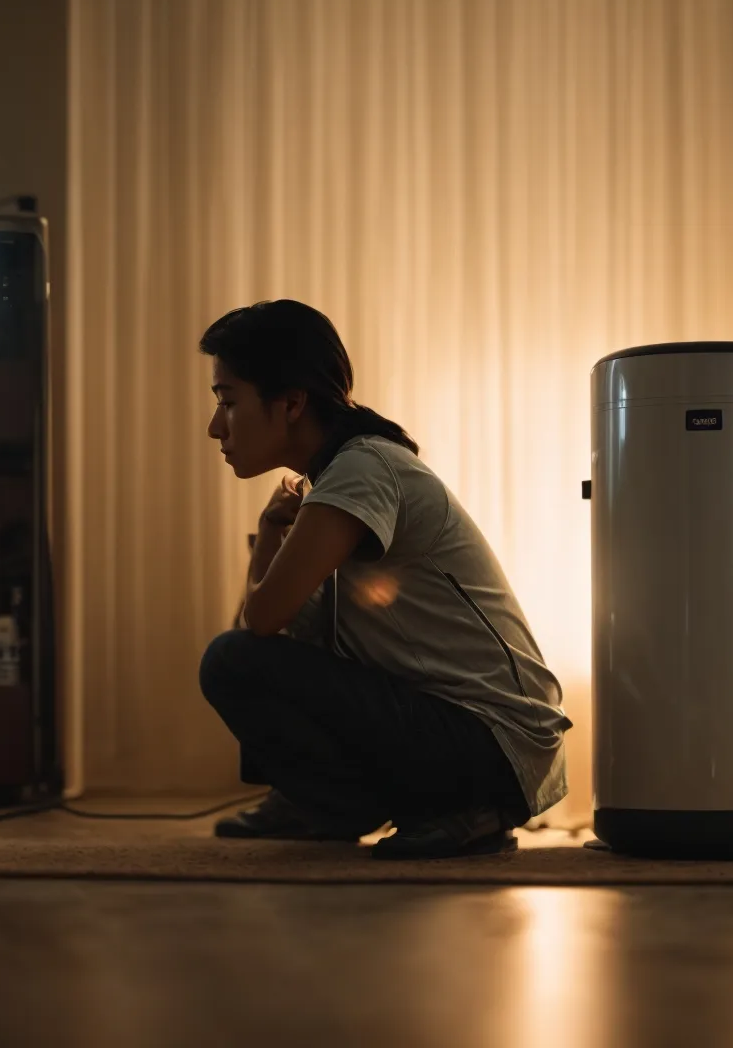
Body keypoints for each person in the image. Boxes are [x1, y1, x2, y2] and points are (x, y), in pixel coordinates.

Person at [196, 300, 571, 860]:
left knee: (229, 660)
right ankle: (321, 804)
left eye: (228, 402)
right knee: (243, 663)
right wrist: (272, 529)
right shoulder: (332, 484)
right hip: (456, 731)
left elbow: (261, 620)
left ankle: (464, 809)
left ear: (292, 403)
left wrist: (269, 533)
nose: (214, 427)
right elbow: (276, 640)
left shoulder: (361, 469)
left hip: (493, 742)